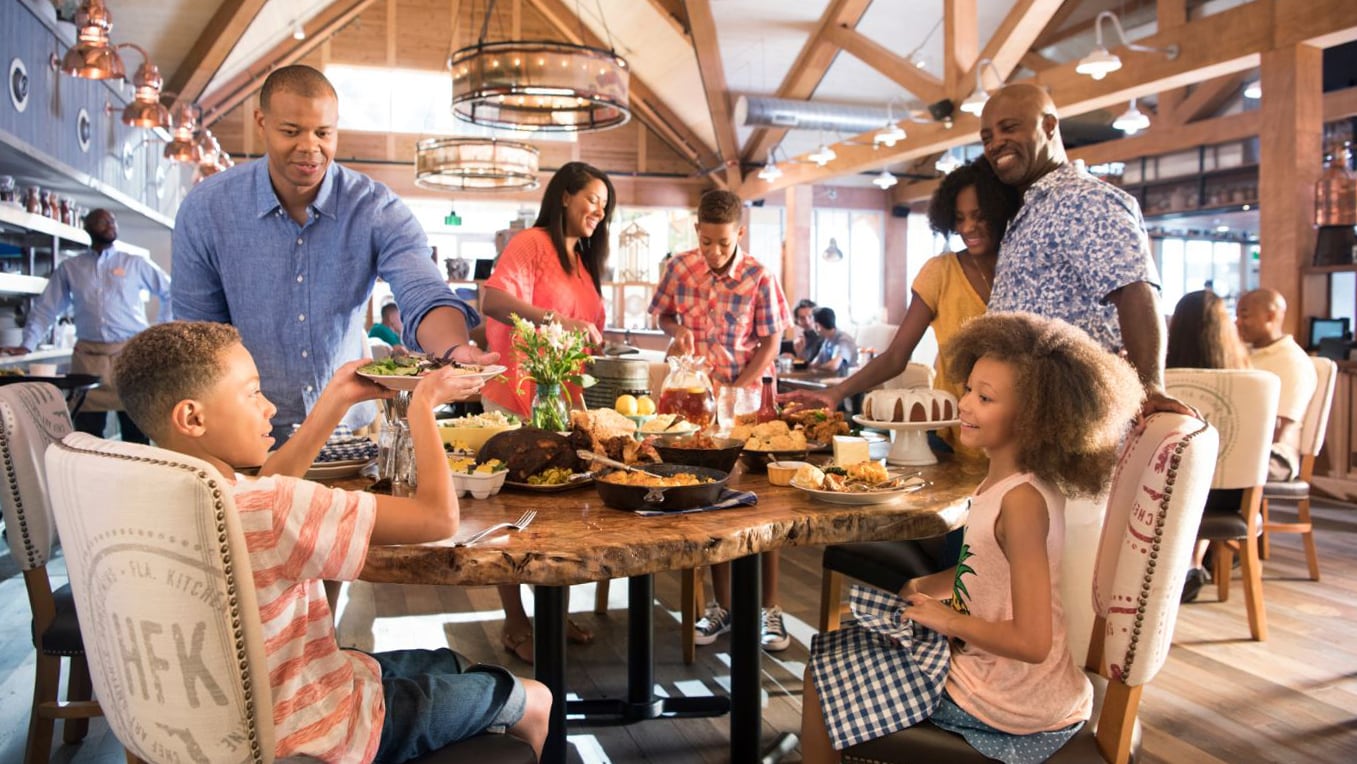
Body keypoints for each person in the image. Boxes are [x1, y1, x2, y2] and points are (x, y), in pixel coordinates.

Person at [113, 321, 550, 762]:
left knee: (449, 662)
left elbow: (267, 485)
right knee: (536, 698)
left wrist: (338, 396)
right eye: (252, 393)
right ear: (193, 417)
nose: (268, 408)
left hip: (254, 713)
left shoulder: (162, 495)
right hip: (322, 727)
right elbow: (438, 518)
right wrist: (423, 407)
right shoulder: (272, 509)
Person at [800, 311, 1144, 764]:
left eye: (986, 398)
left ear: (1035, 419)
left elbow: (1033, 641)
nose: (965, 404)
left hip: (1007, 698)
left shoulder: (1021, 503)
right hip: (1004, 676)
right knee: (847, 642)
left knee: (821, 674)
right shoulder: (1012, 484)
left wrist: (949, 621)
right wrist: (931, 586)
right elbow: (988, 571)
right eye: (968, 389)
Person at [172, 64, 493, 442]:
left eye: (324, 132)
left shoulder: (374, 208)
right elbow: (199, 338)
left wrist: (454, 349)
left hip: (348, 430)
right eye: (291, 131)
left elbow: (421, 287)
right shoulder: (208, 209)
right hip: (242, 430)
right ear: (261, 122)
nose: (310, 147)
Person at [783, 158, 1021, 457]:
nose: (968, 227)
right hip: (957, 437)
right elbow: (896, 356)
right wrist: (836, 393)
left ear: (1000, 210)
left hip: (1018, 436)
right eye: (959, 218)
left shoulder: (1023, 271)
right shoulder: (940, 273)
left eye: (979, 216)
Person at [979, 83, 1189, 419]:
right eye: (987, 137)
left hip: (1071, 418)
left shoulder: (1085, 200)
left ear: (1049, 126)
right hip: (1028, 416)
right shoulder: (1031, 209)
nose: (995, 143)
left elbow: (1135, 288)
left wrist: (1148, 387)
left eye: (1009, 128)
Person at [478, 161, 614, 662]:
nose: (600, 210)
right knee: (513, 516)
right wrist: (557, 321)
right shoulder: (532, 243)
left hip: (561, 402)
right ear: (564, 196)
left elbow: (586, 330)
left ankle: (552, 612)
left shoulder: (583, 261)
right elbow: (492, 301)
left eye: (605, 204)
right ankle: (515, 623)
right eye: (593, 198)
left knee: (557, 517)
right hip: (517, 394)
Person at [649, 188, 794, 652]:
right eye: (707, 241)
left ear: (740, 234)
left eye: (724, 243)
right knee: (712, 498)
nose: (714, 252)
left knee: (762, 504)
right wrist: (678, 331)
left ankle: (769, 608)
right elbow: (663, 317)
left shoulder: (759, 276)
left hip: (745, 402)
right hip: (695, 403)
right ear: (697, 231)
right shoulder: (679, 267)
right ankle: (722, 606)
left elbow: (772, 342)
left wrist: (740, 385)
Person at [2, 208, 171, 444]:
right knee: (87, 436)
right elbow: (46, 308)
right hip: (88, 358)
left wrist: (158, 332)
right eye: (103, 222)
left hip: (130, 356)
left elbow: (169, 292)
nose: (111, 225)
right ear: (88, 228)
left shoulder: (134, 263)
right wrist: (27, 344)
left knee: (137, 432)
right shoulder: (71, 268)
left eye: (113, 220)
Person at [1164, 289, 1252, 602]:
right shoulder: (1250, 381)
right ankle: (1197, 560)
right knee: (1216, 471)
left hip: (1170, 491)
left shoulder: (1163, 381)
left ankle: (1184, 563)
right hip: (1230, 497)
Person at [1235, 288, 1317, 482]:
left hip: (1276, 455)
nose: (1238, 323)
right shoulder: (1242, 354)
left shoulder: (1292, 361)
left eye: (1244, 316)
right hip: (1241, 444)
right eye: (1236, 316)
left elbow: (1279, 430)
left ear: (1270, 316)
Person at [807, 307, 858, 375]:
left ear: (818, 326)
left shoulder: (844, 340)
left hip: (847, 381)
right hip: (830, 379)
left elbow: (833, 366)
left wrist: (819, 367)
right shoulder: (827, 341)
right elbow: (815, 364)